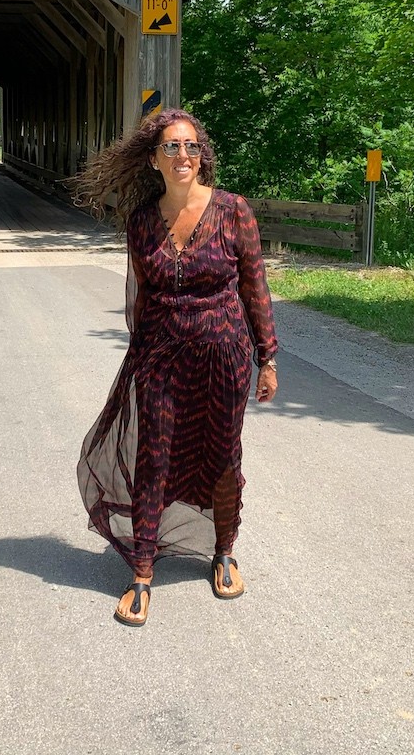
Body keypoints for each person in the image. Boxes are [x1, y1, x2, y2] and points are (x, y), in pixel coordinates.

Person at [75, 108, 278, 626]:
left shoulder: (234, 212)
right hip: (162, 356)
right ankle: (143, 570)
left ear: (201, 154)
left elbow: (255, 289)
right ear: (153, 159)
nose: (182, 155)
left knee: (223, 455)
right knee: (154, 457)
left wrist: (267, 357)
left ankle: (224, 550)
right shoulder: (141, 222)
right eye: (171, 147)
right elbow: (139, 297)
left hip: (224, 357)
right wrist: (139, 357)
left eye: (190, 146)